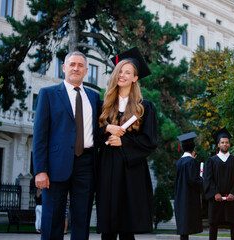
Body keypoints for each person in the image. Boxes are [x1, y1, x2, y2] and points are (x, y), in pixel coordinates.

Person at [33, 51, 101, 240]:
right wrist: (40, 170)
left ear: (86, 70)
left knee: (81, 219)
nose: (76, 68)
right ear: (64, 68)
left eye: (80, 65)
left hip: (86, 164)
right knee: (53, 218)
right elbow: (39, 135)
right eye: (72, 64)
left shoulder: (95, 98)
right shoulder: (48, 94)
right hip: (56, 165)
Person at [96, 47, 158, 240]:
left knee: (126, 227)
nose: (122, 75)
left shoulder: (144, 107)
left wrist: (123, 142)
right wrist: (106, 130)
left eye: (127, 72)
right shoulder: (104, 105)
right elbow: (91, 135)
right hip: (107, 168)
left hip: (131, 170)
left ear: (135, 78)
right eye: (120, 71)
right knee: (108, 227)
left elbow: (149, 141)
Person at [204, 127, 234, 240]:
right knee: (213, 226)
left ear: (229, 144)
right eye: (222, 142)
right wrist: (215, 193)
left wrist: (233, 193)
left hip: (231, 199)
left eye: (227, 142)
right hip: (216, 199)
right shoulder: (211, 161)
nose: (225, 144)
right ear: (218, 145)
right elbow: (208, 179)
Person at [174, 132, 204, 240]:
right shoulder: (192, 162)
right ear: (193, 147)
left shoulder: (179, 162)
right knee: (187, 226)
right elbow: (193, 180)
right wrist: (201, 179)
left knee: (183, 228)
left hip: (180, 197)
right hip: (188, 198)